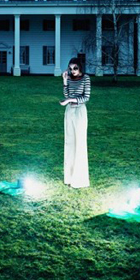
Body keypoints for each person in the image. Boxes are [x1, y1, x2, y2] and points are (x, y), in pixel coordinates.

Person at [59, 57, 91, 188]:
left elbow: (86, 97)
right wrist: (64, 81)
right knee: (69, 143)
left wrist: (69, 100)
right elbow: (67, 95)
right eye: (71, 68)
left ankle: (79, 179)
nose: (73, 71)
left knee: (80, 143)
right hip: (69, 111)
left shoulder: (86, 78)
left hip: (80, 111)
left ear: (80, 67)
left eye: (75, 68)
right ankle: (69, 177)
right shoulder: (70, 79)